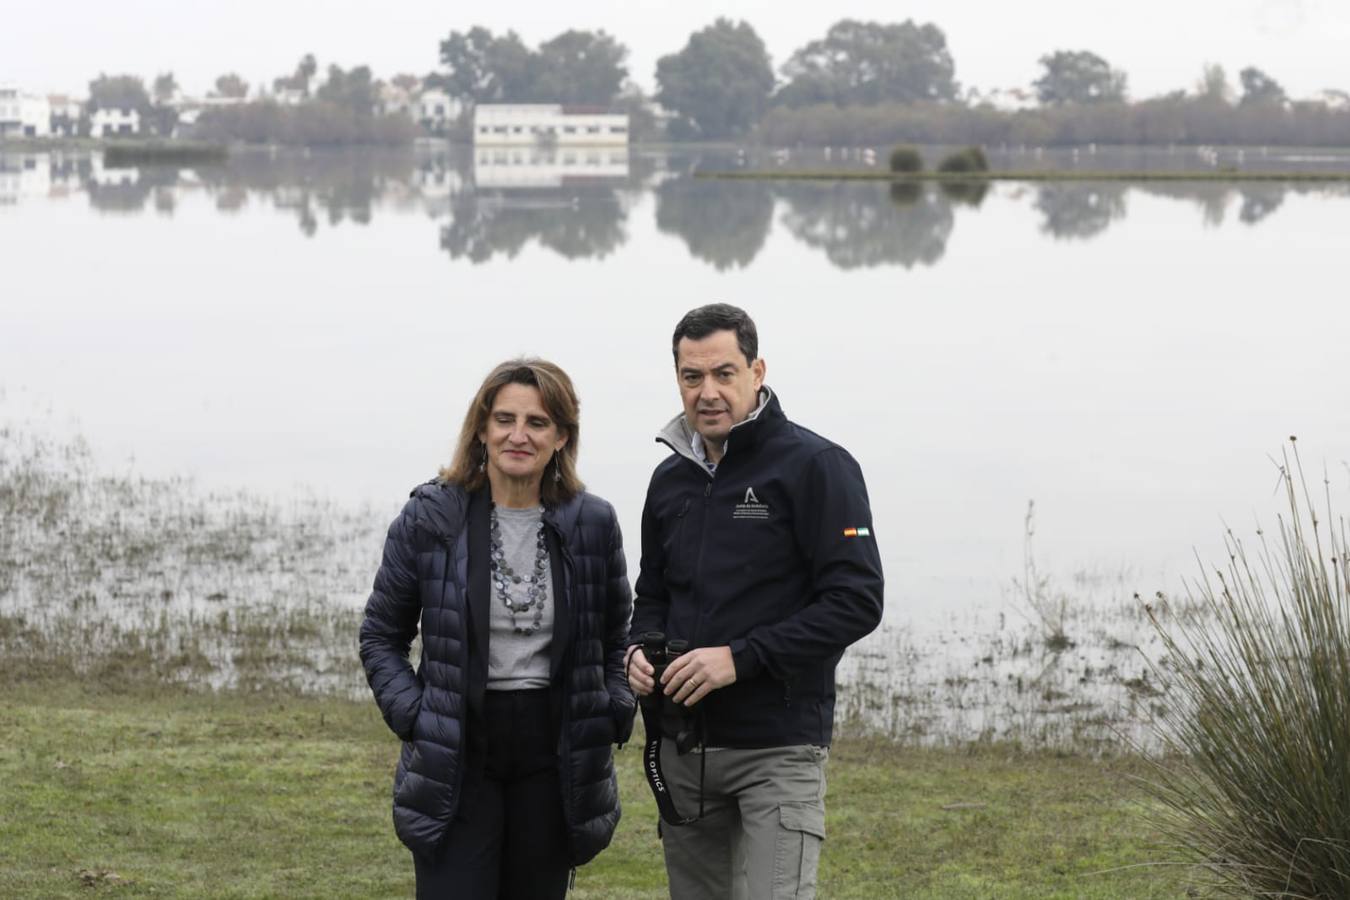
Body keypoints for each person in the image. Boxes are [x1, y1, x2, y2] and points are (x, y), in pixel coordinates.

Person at [627, 304, 884, 900]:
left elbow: (857, 600)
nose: (708, 392)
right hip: (685, 749)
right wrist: (638, 649)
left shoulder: (818, 466)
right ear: (678, 379)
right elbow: (653, 596)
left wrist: (740, 658)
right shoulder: (670, 481)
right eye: (693, 377)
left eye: (724, 373)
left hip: (778, 748)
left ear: (757, 371)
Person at [359, 358, 634, 899]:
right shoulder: (430, 518)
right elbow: (381, 636)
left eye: (537, 422)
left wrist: (613, 708)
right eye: (504, 419)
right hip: (460, 750)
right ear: (481, 428)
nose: (518, 435)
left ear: (561, 436)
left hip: (552, 755)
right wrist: (415, 716)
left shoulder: (593, 522)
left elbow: (616, 637)